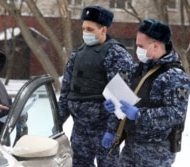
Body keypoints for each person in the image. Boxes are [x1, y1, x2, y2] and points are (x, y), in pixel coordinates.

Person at [103, 18, 190, 166]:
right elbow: (126, 100)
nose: (137, 50)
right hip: (131, 147)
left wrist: (139, 114)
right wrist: (114, 109)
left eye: (140, 46)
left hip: (156, 152)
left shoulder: (174, 75)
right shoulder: (139, 69)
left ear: (155, 45)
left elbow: (175, 114)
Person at [58, 6, 134, 167]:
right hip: (80, 128)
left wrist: (113, 131)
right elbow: (66, 90)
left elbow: (122, 99)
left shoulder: (116, 54)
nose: (85, 32)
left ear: (103, 30)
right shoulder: (78, 53)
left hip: (104, 128)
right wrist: (57, 120)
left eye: (90, 29)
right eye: (83, 28)